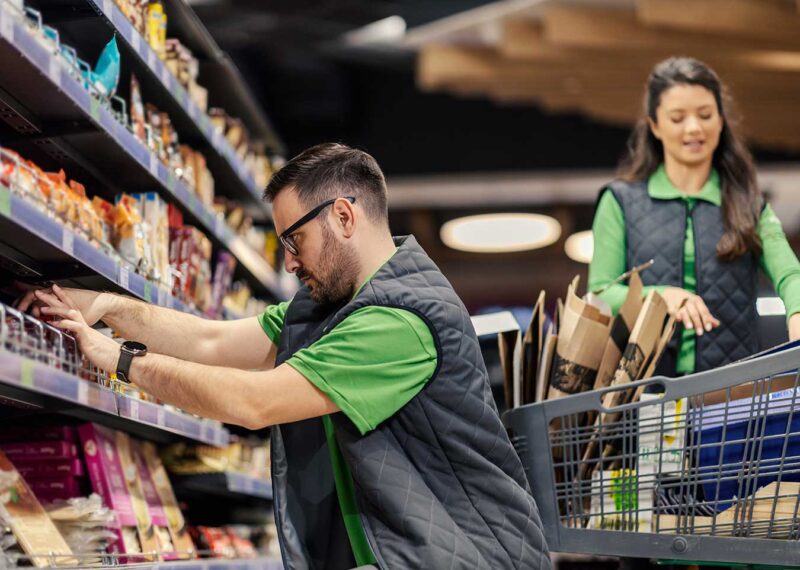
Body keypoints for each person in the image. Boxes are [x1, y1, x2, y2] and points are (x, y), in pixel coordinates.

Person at [20, 143, 549, 570]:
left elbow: (254, 403)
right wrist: (108, 305)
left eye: (295, 240)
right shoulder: (328, 309)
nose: (290, 262)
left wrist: (122, 360)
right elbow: (211, 342)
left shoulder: (397, 322)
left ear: (343, 215)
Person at [588, 57, 800, 375]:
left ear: (720, 121)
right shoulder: (620, 202)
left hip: (731, 394)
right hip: (645, 394)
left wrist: (797, 315)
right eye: (677, 118)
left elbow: (790, 274)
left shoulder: (749, 205)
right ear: (655, 126)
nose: (694, 128)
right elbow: (602, 294)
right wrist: (661, 297)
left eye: (705, 115)